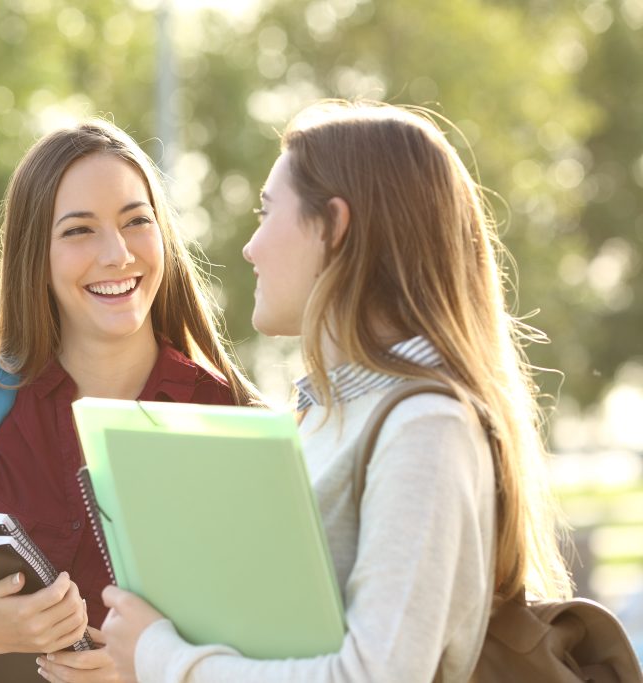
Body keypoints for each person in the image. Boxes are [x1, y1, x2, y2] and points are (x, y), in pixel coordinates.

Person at [93, 101, 573, 683]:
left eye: (267, 213)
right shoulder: (323, 414)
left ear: (336, 227)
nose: (251, 247)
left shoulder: (425, 425)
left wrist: (161, 658)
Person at [0, 119, 260, 683]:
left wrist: (147, 671)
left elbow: (279, 650)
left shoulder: (232, 419)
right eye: (78, 231)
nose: (116, 254)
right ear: (34, 255)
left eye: (136, 221)